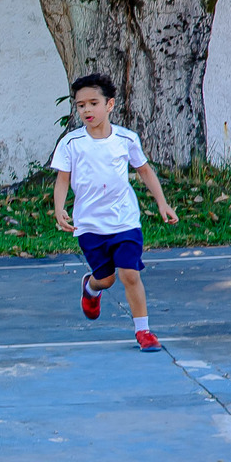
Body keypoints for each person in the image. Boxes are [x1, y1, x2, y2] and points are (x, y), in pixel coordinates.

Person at [51, 73, 179, 352]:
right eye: (80, 105)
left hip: (125, 221)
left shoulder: (126, 138)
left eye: (93, 103)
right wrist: (59, 208)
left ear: (109, 105)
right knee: (106, 278)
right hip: (90, 225)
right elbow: (62, 179)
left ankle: (143, 331)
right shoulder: (71, 143)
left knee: (129, 274)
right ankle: (91, 288)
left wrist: (162, 202)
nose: (86, 110)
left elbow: (144, 170)